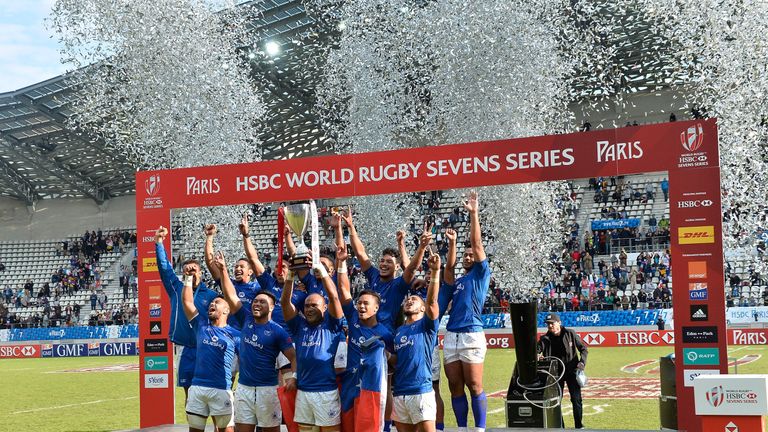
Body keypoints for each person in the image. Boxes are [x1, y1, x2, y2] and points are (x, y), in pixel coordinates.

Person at [215, 252, 297, 432]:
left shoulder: (278, 331)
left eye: (262, 302)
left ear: (272, 307)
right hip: (244, 388)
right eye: (255, 301)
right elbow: (231, 295)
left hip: (267, 390)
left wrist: (294, 377)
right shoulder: (246, 319)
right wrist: (222, 270)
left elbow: (293, 357)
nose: (256, 304)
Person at [442, 190, 490, 432]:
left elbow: (476, 243)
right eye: (465, 255)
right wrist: (452, 245)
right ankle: (462, 429)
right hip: (451, 334)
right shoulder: (458, 280)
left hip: (472, 332)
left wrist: (473, 214)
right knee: (454, 386)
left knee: (474, 384)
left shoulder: (481, 275)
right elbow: (448, 271)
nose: (468, 255)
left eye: (471, 254)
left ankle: (479, 429)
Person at [154, 226, 218, 399]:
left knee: (211, 393)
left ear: (201, 273)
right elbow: (164, 268)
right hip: (184, 349)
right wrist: (159, 242)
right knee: (189, 395)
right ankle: (194, 426)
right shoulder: (176, 288)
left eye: (193, 270)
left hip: (206, 347)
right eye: (187, 270)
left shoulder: (212, 296)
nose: (190, 272)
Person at [281, 256, 344, 431]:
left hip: (326, 391)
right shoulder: (299, 325)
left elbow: (335, 298)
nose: (309, 309)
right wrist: (290, 277)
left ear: (324, 308)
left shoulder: (332, 325)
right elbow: (285, 303)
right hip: (304, 391)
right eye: (307, 306)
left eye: (314, 305)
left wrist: (321, 271)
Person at [336, 242, 394, 432]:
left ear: (376, 308)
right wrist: (341, 264)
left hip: (370, 388)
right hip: (349, 384)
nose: (361, 306)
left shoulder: (385, 333)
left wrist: (386, 356)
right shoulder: (353, 319)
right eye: (359, 303)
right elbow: (344, 291)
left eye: (365, 304)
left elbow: (396, 360)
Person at [180, 268, 240, 432]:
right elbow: (187, 302)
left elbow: (246, 360)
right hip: (197, 388)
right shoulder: (201, 325)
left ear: (226, 310)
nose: (212, 304)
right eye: (212, 303)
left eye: (217, 303)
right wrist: (187, 278)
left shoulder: (236, 335)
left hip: (221, 389)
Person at [392, 249, 443, 432]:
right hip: (399, 392)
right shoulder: (398, 331)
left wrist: (436, 272)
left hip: (421, 390)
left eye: (414, 299)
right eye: (407, 299)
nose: (409, 300)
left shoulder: (427, 326)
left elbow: (431, 302)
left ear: (422, 309)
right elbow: (397, 360)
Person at [537, 313, 588, 430]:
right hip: (555, 374)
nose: (550, 326)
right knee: (556, 401)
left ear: (559, 323)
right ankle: (561, 427)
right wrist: (537, 355)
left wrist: (582, 362)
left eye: (552, 323)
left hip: (572, 372)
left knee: (576, 399)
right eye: (548, 324)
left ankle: (579, 426)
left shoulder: (570, 333)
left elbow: (584, 349)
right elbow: (537, 349)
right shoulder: (544, 339)